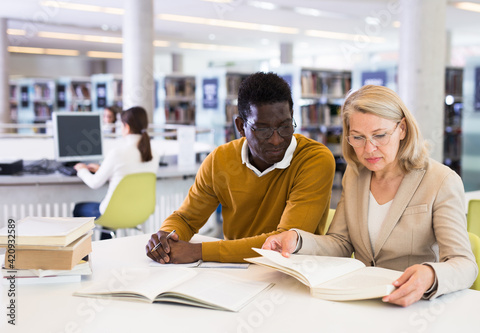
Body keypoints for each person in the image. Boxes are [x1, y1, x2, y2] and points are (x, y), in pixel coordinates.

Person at [262, 85, 477, 307]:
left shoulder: (441, 180)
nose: (369, 149)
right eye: (358, 137)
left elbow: (464, 264)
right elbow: (341, 243)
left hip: (413, 304)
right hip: (362, 299)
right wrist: (297, 240)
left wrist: (431, 275)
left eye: (380, 136)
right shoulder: (355, 175)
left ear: (402, 128)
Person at [146, 72, 335, 264]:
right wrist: (167, 238)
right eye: (263, 130)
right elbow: (186, 219)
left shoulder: (314, 159)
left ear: (292, 117)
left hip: (293, 272)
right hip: (234, 272)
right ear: (241, 126)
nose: (276, 139)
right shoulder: (220, 160)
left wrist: (199, 251)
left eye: (285, 126)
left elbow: (283, 243)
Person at [73, 106, 159, 239]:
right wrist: (103, 170)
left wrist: (82, 170)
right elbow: (127, 176)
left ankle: (83, 258)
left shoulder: (117, 154)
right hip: (141, 212)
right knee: (110, 211)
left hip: (113, 213)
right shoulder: (154, 154)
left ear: (127, 127)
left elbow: (95, 183)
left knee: (79, 208)